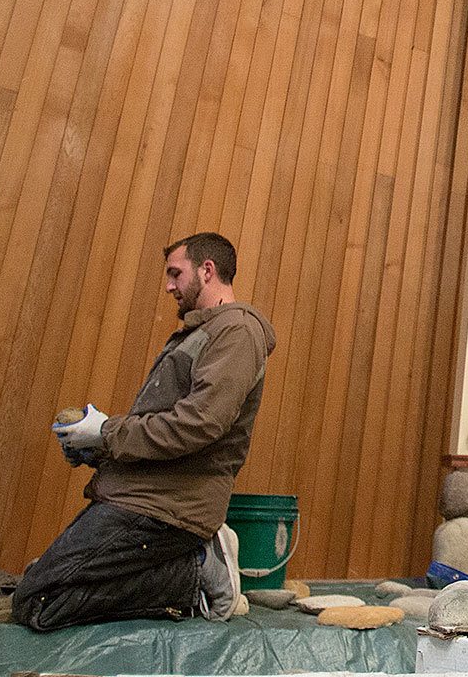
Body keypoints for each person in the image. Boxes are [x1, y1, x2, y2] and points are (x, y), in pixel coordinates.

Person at [14, 233, 277, 632]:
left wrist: (105, 431)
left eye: (176, 273)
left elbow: (198, 424)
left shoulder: (237, 331)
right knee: (46, 583)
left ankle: (195, 573)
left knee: (38, 601)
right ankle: (180, 566)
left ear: (207, 271)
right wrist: (96, 447)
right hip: (139, 497)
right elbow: (165, 426)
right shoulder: (198, 334)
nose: (169, 285)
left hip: (165, 508)